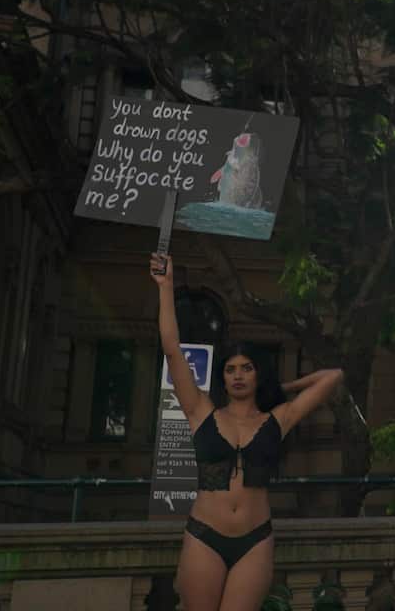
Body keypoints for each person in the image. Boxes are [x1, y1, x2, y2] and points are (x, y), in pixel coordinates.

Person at [152, 254, 343, 611]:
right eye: (230, 370)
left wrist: (281, 387)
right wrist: (166, 287)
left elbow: (332, 377)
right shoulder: (200, 411)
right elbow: (171, 349)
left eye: (247, 368)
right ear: (222, 377)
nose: (238, 375)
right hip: (204, 536)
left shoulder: (278, 420)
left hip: (255, 540)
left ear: (257, 375)